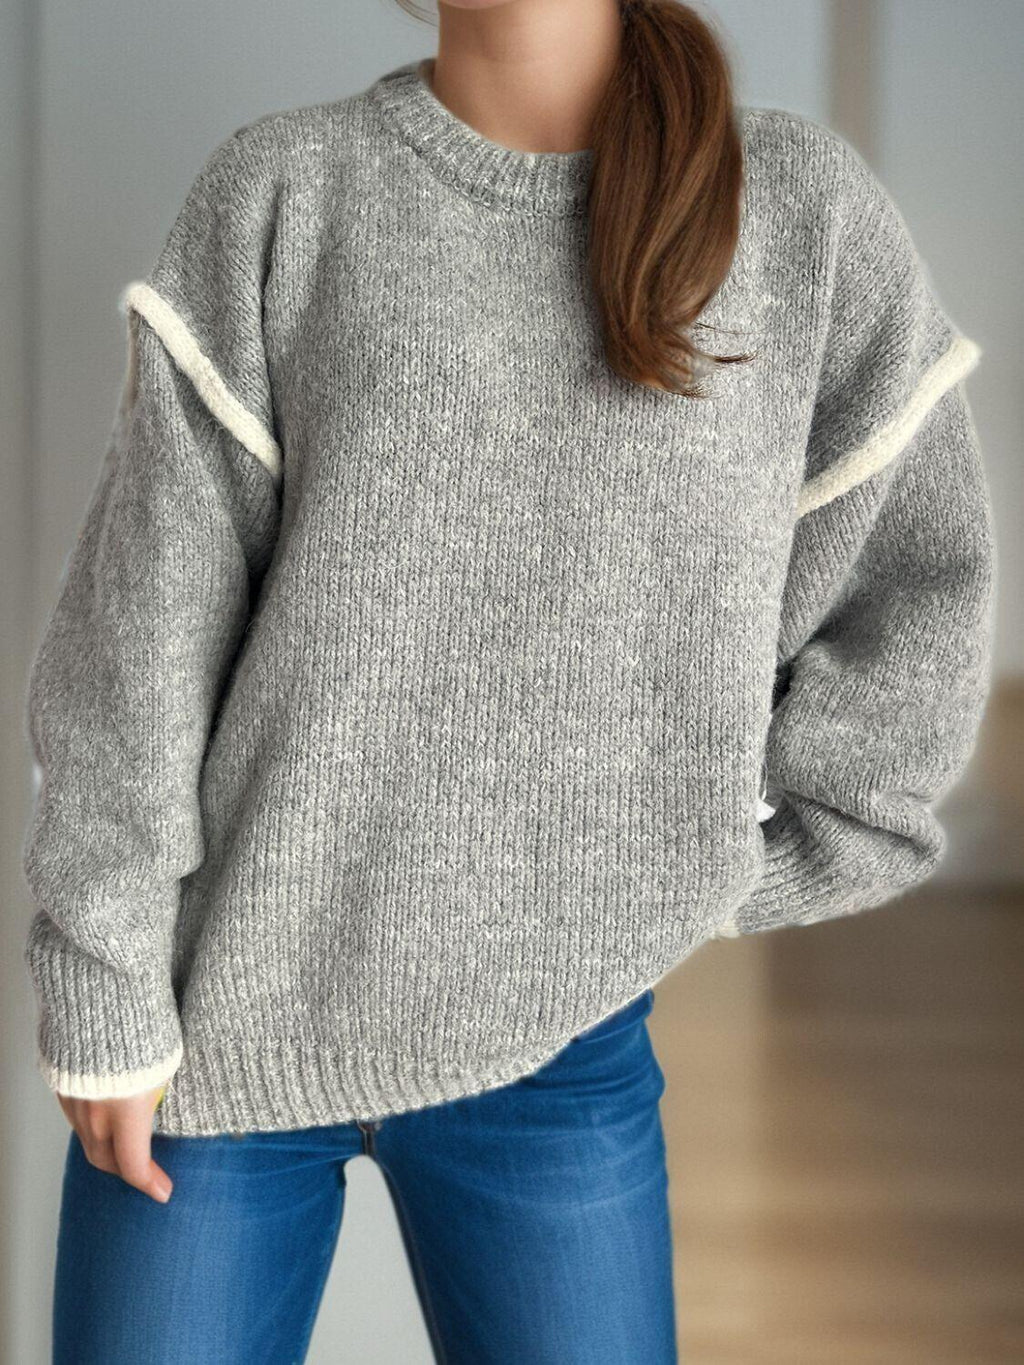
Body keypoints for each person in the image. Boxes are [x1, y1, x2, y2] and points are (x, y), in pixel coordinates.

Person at [21, 0, 996, 1361]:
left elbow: (922, 582)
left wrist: (702, 858)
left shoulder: (796, 212)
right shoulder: (288, 191)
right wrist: (105, 980)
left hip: (558, 1050)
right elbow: (137, 640)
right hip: (218, 1021)